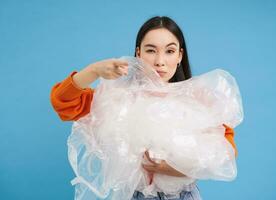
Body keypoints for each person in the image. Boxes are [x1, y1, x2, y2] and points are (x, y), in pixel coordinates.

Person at [50, 16, 238, 200]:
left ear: (180, 55)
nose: (159, 61)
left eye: (169, 51)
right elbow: (62, 102)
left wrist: (177, 168)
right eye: (151, 50)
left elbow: (225, 152)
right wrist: (93, 70)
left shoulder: (197, 98)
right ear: (138, 53)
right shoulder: (118, 98)